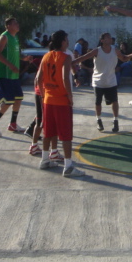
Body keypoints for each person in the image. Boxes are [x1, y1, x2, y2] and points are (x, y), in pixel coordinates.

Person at [35, 30, 85, 177]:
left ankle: (45, 160)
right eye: (67, 39)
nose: (68, 42)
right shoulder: (65, 57)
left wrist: (44, 95)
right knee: (66, 134)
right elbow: (64, 78)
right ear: (63, 41)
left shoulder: (46, 56)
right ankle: (68, 167)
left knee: (48, 132)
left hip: (48, 100)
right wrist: (69, 97)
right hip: (61, 100)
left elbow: (38, 79)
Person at [71, 32, 132, 133]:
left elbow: (124, 58)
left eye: (110, 37)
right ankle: (99, 120)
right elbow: (84, 57)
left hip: (111, 81)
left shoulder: (115, 50)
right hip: (98, 81)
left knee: (114, 101)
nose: (110, 39)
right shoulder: (97, 51)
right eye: (107, 38)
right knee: (98, 102)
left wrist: (131, 55)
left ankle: (115, 121)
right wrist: (72, 62)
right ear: (102, 41)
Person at [0, 17, 25, 137]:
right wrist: (11, 66)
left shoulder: (15, 38)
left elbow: (15, 54)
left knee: (18, 97)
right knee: (9, 100)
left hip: (13, 74)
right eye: (15, 23)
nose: (17, 25)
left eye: (17, 23)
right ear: (8, 26)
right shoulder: (4, 36)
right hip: (4, 73)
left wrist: (24, 58)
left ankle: (13, 123)